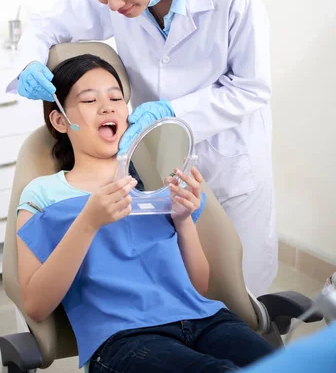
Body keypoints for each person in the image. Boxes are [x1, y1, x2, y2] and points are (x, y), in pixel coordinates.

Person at [8, 0, 277, 296]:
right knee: (178, 291)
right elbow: (46, 24)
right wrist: (30, 61)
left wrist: (174, 111)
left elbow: (251, 87)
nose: (113, 5)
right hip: (156, 161)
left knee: (243, 295)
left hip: (228, 158)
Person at [16, 54, 274, 372]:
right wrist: (88, 222)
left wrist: (183, 222)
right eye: (89, 100)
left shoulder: (156, 182)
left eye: (115, 97)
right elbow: (36, 306)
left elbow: (199, 287)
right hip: (123, 339)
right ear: (59, 121)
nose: (108, 107)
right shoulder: (43, 195)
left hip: (205, 319)